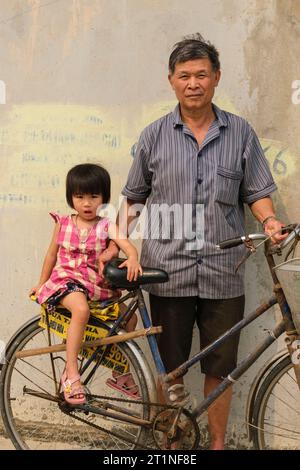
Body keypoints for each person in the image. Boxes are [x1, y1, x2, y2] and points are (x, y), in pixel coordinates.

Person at [104, 33, 287, 450]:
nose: (193, 83)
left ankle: (217, 445)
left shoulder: (240, 132)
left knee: (220, 368)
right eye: (184, 75)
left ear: (216, 77)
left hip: (225, 271)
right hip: (168, 272)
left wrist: (271, 219)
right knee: (170, 369)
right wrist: (116, 242)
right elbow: (134, 196)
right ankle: (172, 447)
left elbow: (256, 191)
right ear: (171, 81)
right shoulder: (153, 136)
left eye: (201, 74)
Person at [30, 163, 142, 405]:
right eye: (79, 197)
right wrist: (41, 284)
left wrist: (132, 257)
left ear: (104, 197)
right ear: (71, 198)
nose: (87, 203)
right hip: (66, 281)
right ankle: (71, 374)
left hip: (95, 286)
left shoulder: (106, 225)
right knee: (81, 310)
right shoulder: (63, 223)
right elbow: (51, 255)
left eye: (94, 196)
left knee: (129, 319)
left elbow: (125, 243)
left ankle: (119, 372)